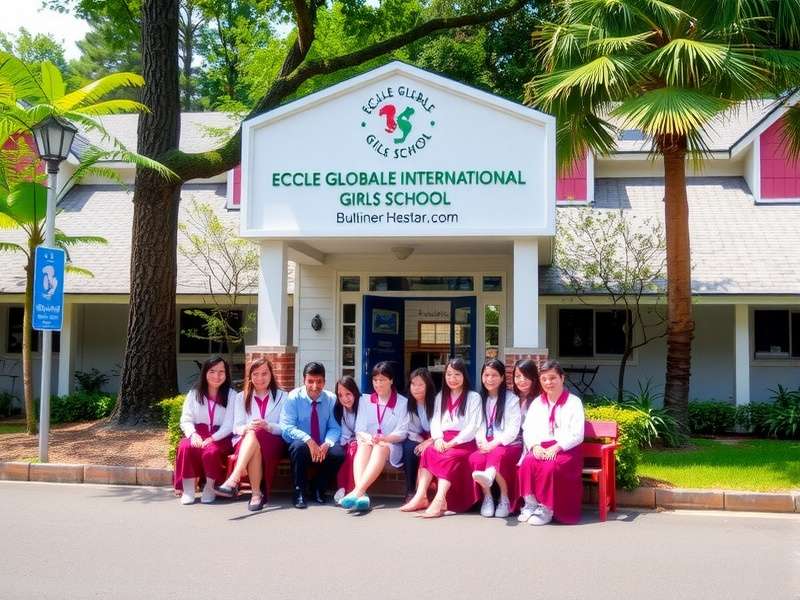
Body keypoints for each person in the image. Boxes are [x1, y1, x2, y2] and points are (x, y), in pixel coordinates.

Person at [400, 358, 482, 518]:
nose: (453, 378)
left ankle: (439, 499)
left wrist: (452, 442)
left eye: (457, 374)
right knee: (429, 451)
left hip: (464, 442)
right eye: (449, 374)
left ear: (464, 376)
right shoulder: (440, 397)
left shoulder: (473, 397)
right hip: (443, 439)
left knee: (449, 456)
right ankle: (421, 495)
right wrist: (437, 438)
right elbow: (435, 421)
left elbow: (472, 427)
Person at [518, 360, 585, 525]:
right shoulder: (537, 403)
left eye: (553, 378)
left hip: (566, 449)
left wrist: (557, 447)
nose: (549, 382)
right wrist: (534, 446)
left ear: (562, 378)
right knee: (527, 462)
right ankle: (531, 504)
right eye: (544, 379)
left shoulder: (573, 402)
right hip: (542, 447)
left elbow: (577, 434)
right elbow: (528, 429)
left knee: (550, 466)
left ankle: (547, 508)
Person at [215, 358, 287, 511]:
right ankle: (255, 494)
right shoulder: (241, 397)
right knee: (254, 434)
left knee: (257, 434)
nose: (260, 378)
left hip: (272, 442)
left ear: (271, 375)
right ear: (250, 376)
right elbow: (236, 427)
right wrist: (248, 427)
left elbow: (285, 427)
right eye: (255, 374)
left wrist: (268, 426)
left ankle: (236, 478)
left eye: (264, 374)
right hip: (247, 441)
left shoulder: (283, 396)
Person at [339, 362, 409, 511]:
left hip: (391, 445)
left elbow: (402, 432)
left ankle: (357, 491)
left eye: (382, 380)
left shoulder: (403, 403)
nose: (378, 384)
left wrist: (385, 439)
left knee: (380, 448)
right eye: (375, 380)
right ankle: (362, 494)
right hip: (369, 441)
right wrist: (370, 439)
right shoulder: (365, 400)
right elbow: (360, 428)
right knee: (363, 446)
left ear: (391, 380)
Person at [280, 361, 345, 509]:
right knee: (298, 447)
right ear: (304, 380)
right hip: (301, 445)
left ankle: (318, 487)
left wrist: (327, 443)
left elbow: (335, 427)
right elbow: (286, 426)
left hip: (321, 446)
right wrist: (308, 439)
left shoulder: (331, 399)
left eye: (319, 382)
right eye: (310, 381)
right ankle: (299, 492)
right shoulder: (293, 398)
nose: (315, 386)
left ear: (324, 381)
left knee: (338, 452)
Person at [173, 356, 237, 505]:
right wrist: (193, 434)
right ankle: (188, 490)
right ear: (205, 373)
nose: (217, 376)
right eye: (212, 371)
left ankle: (209, 488)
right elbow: (186, 419)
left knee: (211, 451)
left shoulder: (232, 395)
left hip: (221, 436)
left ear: (226, 374)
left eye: (221, 372)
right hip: (198, 432)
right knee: (186, 446)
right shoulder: (194, 393)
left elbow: (229, 424)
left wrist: (213, 438)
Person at [469, 359, 522, 518]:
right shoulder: (479, 399)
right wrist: (481, 441)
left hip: (508, 443)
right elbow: (477, 425)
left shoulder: (512, 399)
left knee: (497, 454)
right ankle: (488, 498)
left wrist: (493, 444)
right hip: (486, 443)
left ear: (501, 378)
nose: (489, 379)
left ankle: (504, 498)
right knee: (475, 458)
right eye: (486, 375)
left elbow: (513, 430)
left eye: (494, 375)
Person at [401, 368, 436, 503]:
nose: (416, 388)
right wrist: (421, 440)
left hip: (437, 437)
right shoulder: (409, 404)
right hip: (420, 436)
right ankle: (410, 490)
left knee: (430, 450)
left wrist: (429, 441)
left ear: (428, 385)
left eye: (421, 384)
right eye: (413, 384)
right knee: (409, 448)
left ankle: (429, 490)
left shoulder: (436, 401)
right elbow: (411, 429)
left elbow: (443, 427)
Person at [333, 376, 361, 504]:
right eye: (340, 395)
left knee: (353, 451)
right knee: (345, 453)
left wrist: (355, 440)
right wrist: (349, 441)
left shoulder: (363, 404)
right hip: (349, 441)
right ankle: (342, 487)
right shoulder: (340, 409)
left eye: (348, 394)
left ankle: (350, 489)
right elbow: (344, 433)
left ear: (354, 392)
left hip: (365, 441)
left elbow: (366, 428)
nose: (344, 398)